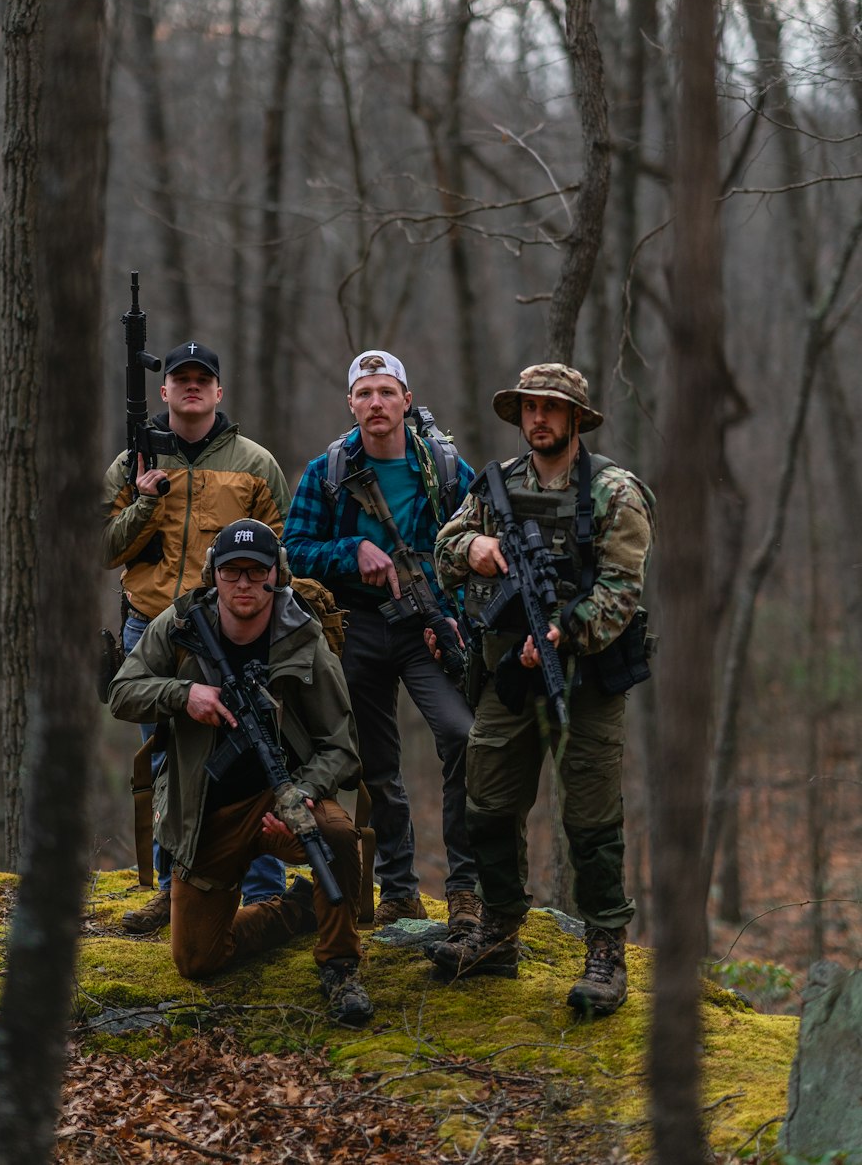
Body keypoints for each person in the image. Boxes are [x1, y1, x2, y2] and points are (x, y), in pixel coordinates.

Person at [425, 363, 654, 1017]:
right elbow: (446, 546)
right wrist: (475, 549)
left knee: (590, 821)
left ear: (576, 417)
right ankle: (498, 930)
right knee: (487, 803)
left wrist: (563, 633)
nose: (538, 419)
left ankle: (606, 951)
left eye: (551, 408)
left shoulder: (615, 491)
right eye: (529, 408)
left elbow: (622, 592)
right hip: (508, 676)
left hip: (588, 680)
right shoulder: (497, 486)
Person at [106, 518, 373, 1026]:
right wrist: (184, 695)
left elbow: (341, 747)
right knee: (196, 960)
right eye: (232, 572)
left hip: (285, 804)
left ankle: (340, 965)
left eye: (256, 571)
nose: (245, 583)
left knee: (336, 837)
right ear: (215, 576)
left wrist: (304, 794)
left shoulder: (303, 637)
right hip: (206, 811)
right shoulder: (182, 624)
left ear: (277, 574)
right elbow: (122, 692)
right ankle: (298, 911)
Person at [283, 349, 481, 932]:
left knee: (462, 737)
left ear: (406, 400)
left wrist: (452, 621)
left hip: (427, 624)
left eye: (386, 392)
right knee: (377, 763)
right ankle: (398, 888)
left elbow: (476, 545)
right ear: (351, 404)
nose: (376, 403)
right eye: (365, 393)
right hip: (358, 625)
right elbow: (294, 548)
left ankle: (465, 888)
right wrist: (352, 552)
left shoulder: (445, 468)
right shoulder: (329, 471)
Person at [102, 340, 291, 931]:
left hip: (236, 629)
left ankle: (263, 891)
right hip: (152, 629)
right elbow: (107, 549)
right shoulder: (131, 462)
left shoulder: (255, 464)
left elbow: (284, 559)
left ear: (218, 391)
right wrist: (146, 500)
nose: (190, 387)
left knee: (254, 755)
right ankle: (171, 889)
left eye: (201, 379)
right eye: (179, 378)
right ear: (163, 391)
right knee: (165, 761)